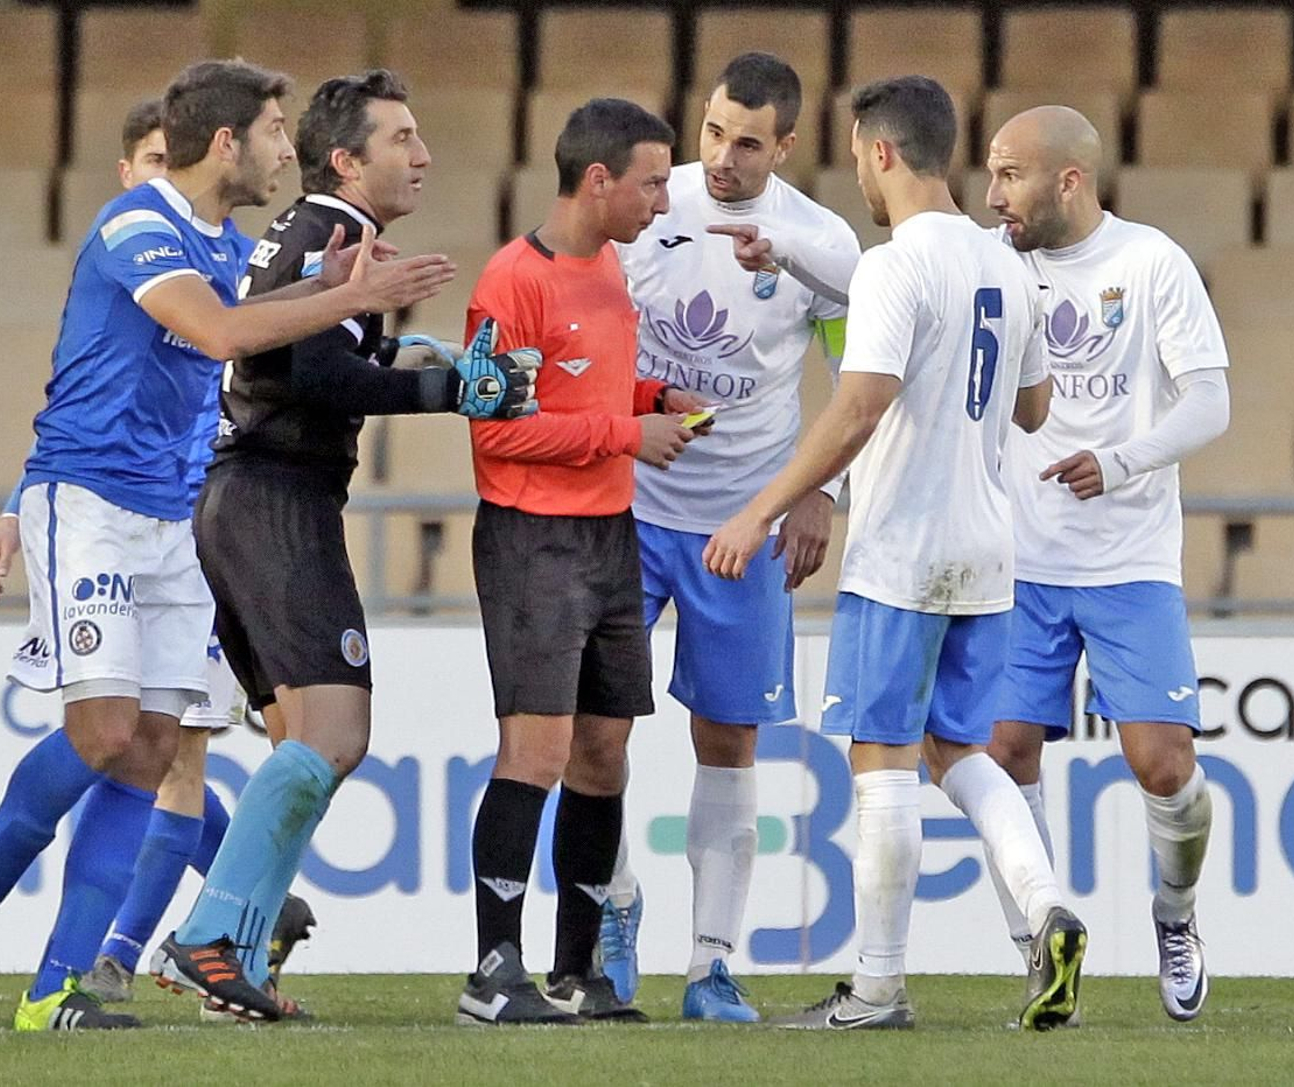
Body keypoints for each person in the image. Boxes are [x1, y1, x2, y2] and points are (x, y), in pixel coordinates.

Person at [0, 58, 455, 1032]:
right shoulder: (139, 225)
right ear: (228, 142)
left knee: (158, 748)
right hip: (90, 504)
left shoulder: (224, 242)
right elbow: (219, 336)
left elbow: (252, 345)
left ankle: (57, 991)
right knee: (109, 733)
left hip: (177, 514)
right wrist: (344, 303)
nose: (283, 150)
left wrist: (348, 303)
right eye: (273, 131)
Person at [149, 69, 540, 1023]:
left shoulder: (309, 234)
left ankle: (234, 960)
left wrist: (438, 367)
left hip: (247, 498)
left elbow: (310, 360)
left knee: (301, 739)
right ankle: (209, 937)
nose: (423, 153)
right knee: (338, 732)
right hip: (276, 500)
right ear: (346, 159)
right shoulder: (331, 235)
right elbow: (315, 372)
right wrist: (452, 393)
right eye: (401, 137)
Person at [705, 75, 1085, 1032]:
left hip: (904, 549)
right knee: (959, 748)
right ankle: (1046, 911)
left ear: (879, 153)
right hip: (988, 549)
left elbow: (860, 402)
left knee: (882, 759)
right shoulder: (1010, 267)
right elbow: (1035, 407)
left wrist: (763, 509)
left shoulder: (893, 264)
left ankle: (877, 984)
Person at [602, 52, 860, 1021]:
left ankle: (711, 961)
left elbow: (851, 375)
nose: (722, 156)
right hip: (625, 506)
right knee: (593, 732)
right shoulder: (645, 205)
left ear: (784, 146)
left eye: (747, 141)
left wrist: (819, 491)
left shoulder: (817, 243)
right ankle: (613, 903)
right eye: (713, 131)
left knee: (729, 737)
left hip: (740, 520)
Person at [456, 98, 711, 1027]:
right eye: (652, 181)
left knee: (604, 754)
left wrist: (651, 393)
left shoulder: (608, 265)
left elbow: (583, 384)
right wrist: (626, 432)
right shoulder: (510, 281)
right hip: (534, 539)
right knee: (538, 748)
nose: (661, 200)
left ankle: (576, 971)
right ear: (597, 179)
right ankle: (492, 969)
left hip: (610, 534)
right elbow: (497, 423)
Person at [984, 105, 1227, 1022]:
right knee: (1005, 754)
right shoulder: (991, 261)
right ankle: (1044, 952)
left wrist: (1122, 462)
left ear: (1070, 181)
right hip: (1018, 559)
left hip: (1128, 558)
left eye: (1011, 174)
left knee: (1162, 764)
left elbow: (1211, 402)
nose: (995, 193)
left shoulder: (1149, 263)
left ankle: (1174, 914)